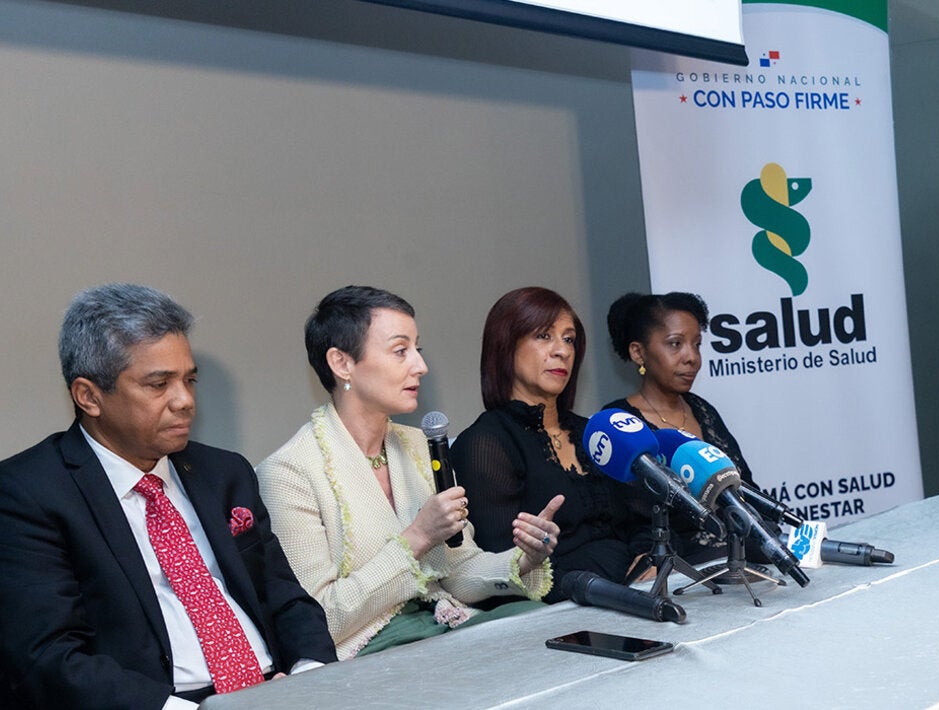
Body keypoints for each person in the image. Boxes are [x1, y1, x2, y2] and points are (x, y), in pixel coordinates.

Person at [0, 284, 337, 709]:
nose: (185, 401)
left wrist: (308, 679)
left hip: (277, 689)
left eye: (189, 380)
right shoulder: (26, 493)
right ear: (88, 396)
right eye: (159, 385)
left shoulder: (224, 472)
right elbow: (49, 659)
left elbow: (285, 596)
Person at [256, 286, 560, 660]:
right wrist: (417, 537)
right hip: (370, 647)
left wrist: (523, 559)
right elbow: (320, 618)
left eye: (418, 349)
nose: (420, 366)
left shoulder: (419, 445)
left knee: (546, 627)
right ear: (342, 363)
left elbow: (457, 571)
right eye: (401, 351)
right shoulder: (288, 473)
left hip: (444, 619)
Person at [450, 287, 650, 603]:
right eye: (544, 336)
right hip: (560, 615)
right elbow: (501, 572)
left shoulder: (595, 432)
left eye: (569, 339)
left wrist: (645, 559)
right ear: (506, 345)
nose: (562, 351)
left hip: (640, 593)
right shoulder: (484, 443)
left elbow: (646, 522)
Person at [603, 291, 759, 563]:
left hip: (744, 556)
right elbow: (635, 523)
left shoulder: (702, 410)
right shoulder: (619, 423)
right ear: (638, 352)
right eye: (675, 344)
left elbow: (745, 487)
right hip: (683, 571)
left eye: (697, 344)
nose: (692, 358)